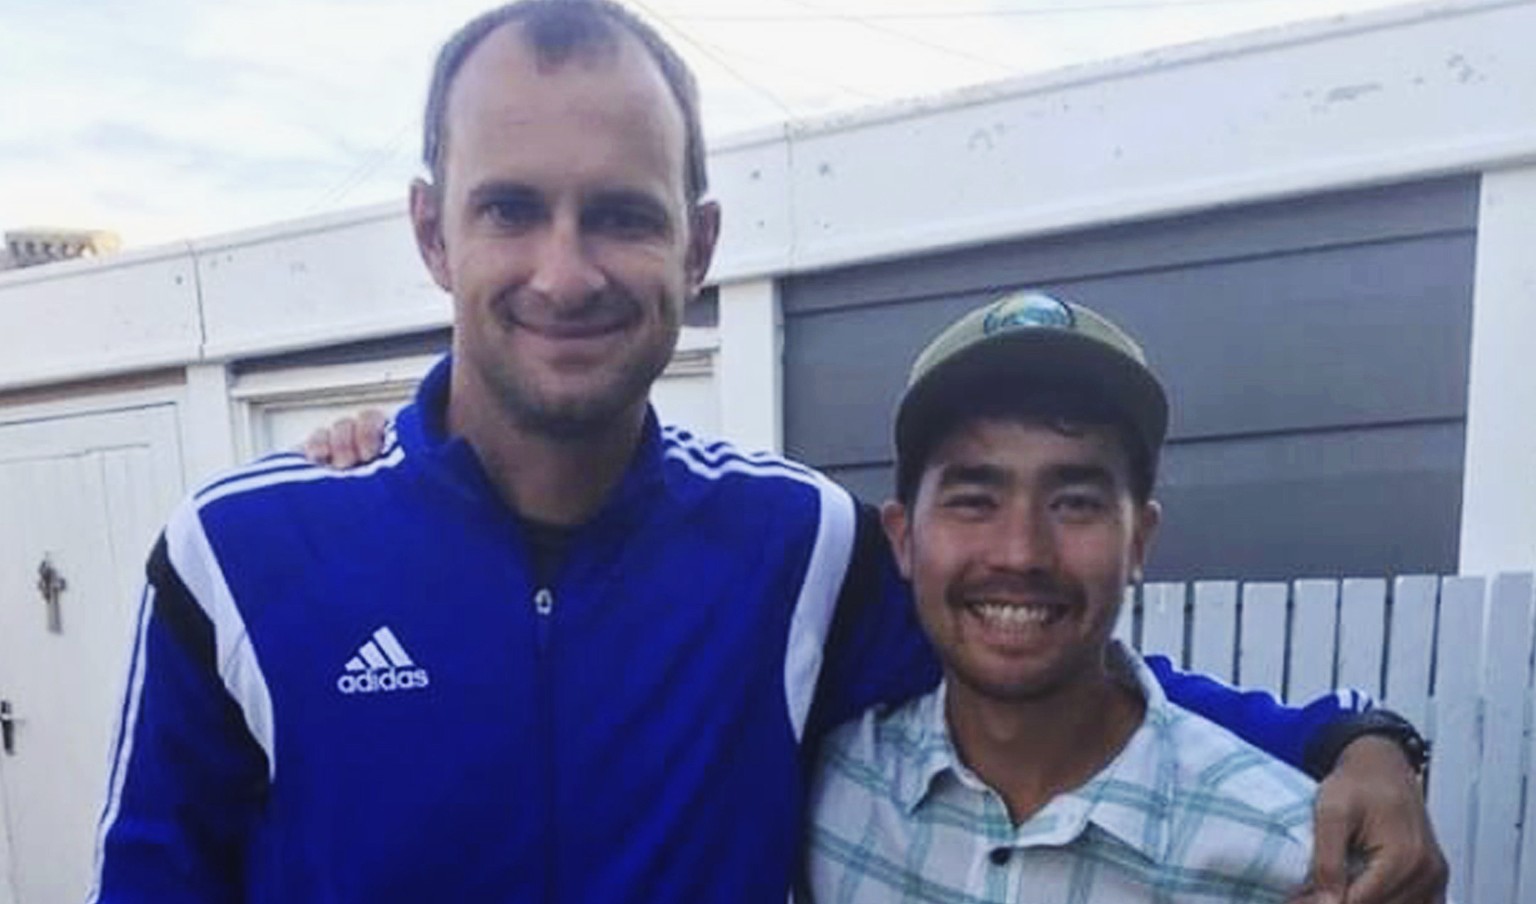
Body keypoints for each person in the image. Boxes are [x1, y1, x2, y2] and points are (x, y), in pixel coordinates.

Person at [91, 2, 1443, 902]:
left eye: (620, 215)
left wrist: (1355, 741)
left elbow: (1046, 648)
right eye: (514, 210)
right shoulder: (243, 557)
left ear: (700, 244)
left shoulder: (792, 548)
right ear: (437, 233)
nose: (566, 273)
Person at [808, 290, 1316, 901]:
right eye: (974, 500)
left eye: (1075, 503)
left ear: (1139, 542)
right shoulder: (827, 790)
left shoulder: (1293, 859)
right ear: (903, 539)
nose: (1020, 553)